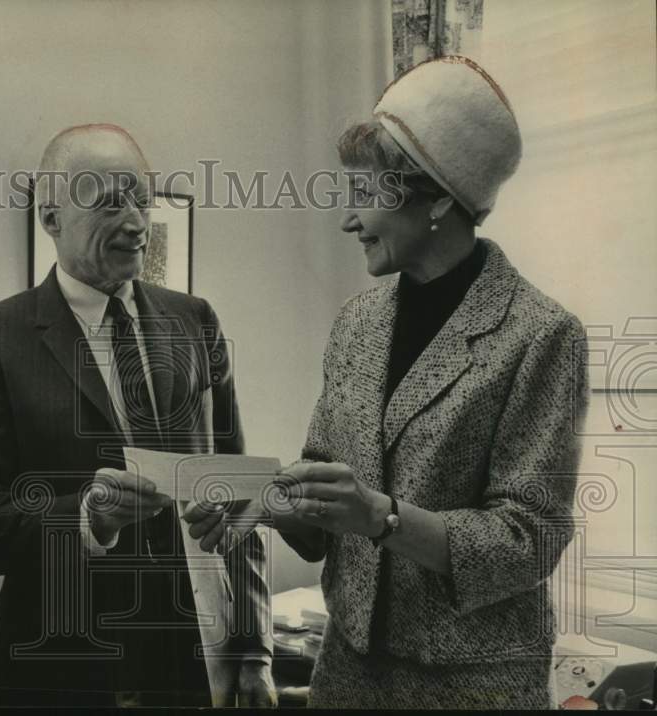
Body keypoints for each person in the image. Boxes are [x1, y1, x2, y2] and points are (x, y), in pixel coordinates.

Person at [218, 57, 586, 709]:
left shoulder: (540, 334)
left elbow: (529, 540)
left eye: (366, 194)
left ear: (440, 197)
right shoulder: (358, 324)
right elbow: (325, 488)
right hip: (350, 675)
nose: (349, 219)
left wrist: (382, 517)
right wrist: (244, 498)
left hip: (473, 687)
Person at [0, 124, 275, 708]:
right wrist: (87, 518)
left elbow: (237, 488)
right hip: (66, 664)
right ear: (51, 218)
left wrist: (254, 650)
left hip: (193, 659)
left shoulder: (195, 320)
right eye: (109, 202)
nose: (137, 223)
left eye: (142, 199)